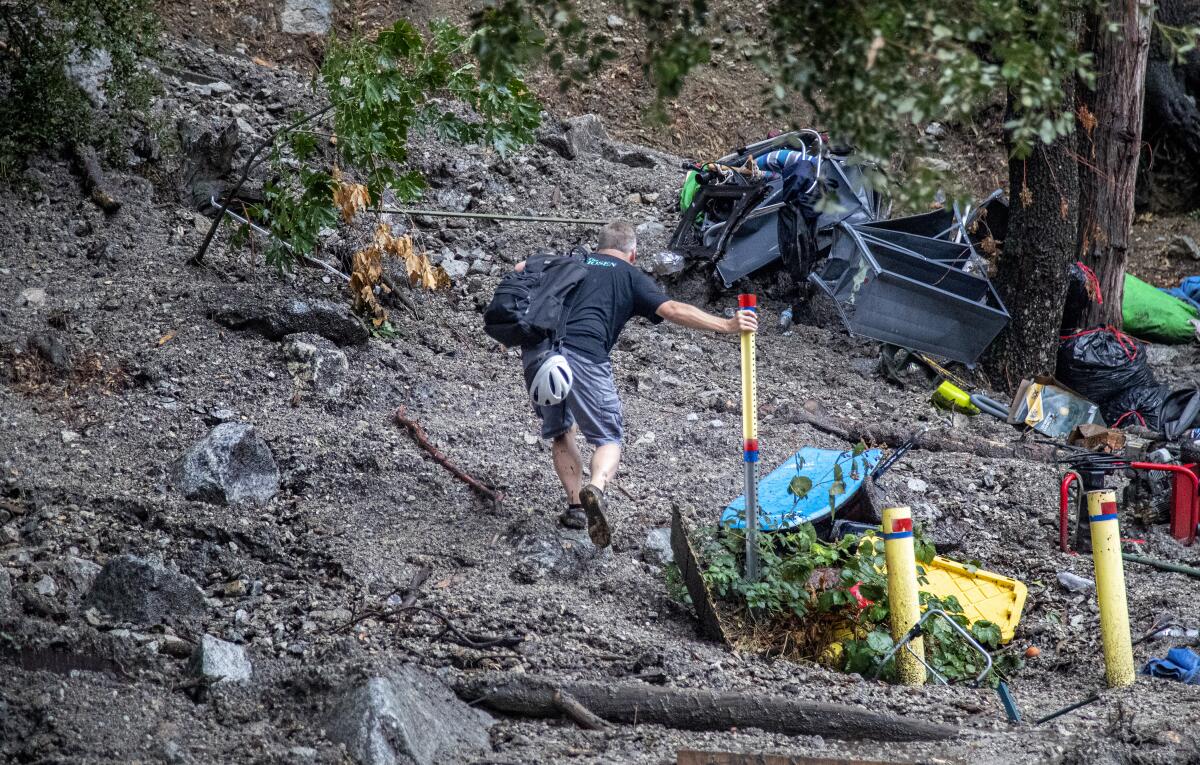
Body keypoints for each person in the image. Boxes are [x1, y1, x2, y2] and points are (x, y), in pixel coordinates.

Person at [514, 220, 758, 548]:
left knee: (561, 430)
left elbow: (521, 267)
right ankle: (595, 488)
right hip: (584, 355)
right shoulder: (629, 274)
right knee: (608, 438)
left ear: (598, 245)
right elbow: (672, 309)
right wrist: (726, 325)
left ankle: (574, 507)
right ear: (633, 253)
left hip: (539, 352)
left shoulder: (571, 261)